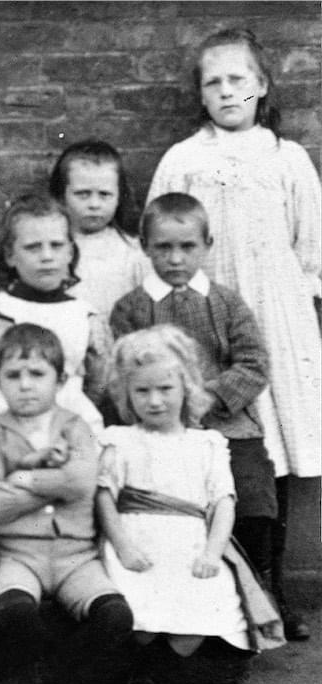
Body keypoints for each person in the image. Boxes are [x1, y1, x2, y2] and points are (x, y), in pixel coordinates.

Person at [147, 28, 320, 641]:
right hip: (207, 317)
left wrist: (300, 314)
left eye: (237, 79)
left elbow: (309, 250)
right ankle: (224, 583)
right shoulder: (184, 159)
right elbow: (161, 244)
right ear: (200, 93)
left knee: (274, 441)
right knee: (221, 441)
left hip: (276, 313)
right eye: (213, 81)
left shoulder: (286, 159)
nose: (226, 91)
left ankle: (272, 590)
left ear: (262, 86)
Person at [111, 192, 281, 640]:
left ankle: (263, 594)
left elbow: (254, 363)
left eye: (187, 247)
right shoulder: (132, 308)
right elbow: (123, 367)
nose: (175, 258)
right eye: (163, 247)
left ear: (207, 245)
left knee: (254, 499)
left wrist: (206, 398)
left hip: (225, 424)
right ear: (146, 247)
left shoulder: (226, 303)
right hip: (154, 425)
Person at [97, 326, 284, 684]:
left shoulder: (207, 444)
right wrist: (124, 546)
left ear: (187, 387)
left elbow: (222, 503)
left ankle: (149, 680)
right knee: (138, 613)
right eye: (142, 391)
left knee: (206, 603)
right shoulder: (121, 440)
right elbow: (104, 497)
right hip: (137, 539)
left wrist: (213, 553)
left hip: (191, 544)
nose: (155, 400)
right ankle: (149, 678)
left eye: (165, 388)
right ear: (127, 394)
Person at [0, 324, 133, 684]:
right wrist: (55, 485)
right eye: (13, 376)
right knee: (15, 610)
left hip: (76, 555)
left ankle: (42, 677)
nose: (25, 385)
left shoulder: (74, 426)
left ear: (60, 379)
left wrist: (23, 478)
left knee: (115, 615)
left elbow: (81, 482)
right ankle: (54, 679)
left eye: (37, 374)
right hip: (18, 554)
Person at [0, 194, 112, 434]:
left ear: (71, 251)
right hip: (6, 420)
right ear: (10, 255)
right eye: (33, 247)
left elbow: (98, 381)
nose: (47, 256)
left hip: (70, 420)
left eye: (57, 245)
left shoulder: (84, 315)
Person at [48, 139, 150, 318]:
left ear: (119, 197)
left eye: (104, 194)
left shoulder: (133, 253)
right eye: (83, 194)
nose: (94, 204)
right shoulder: (50, 248)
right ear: (62, 196)